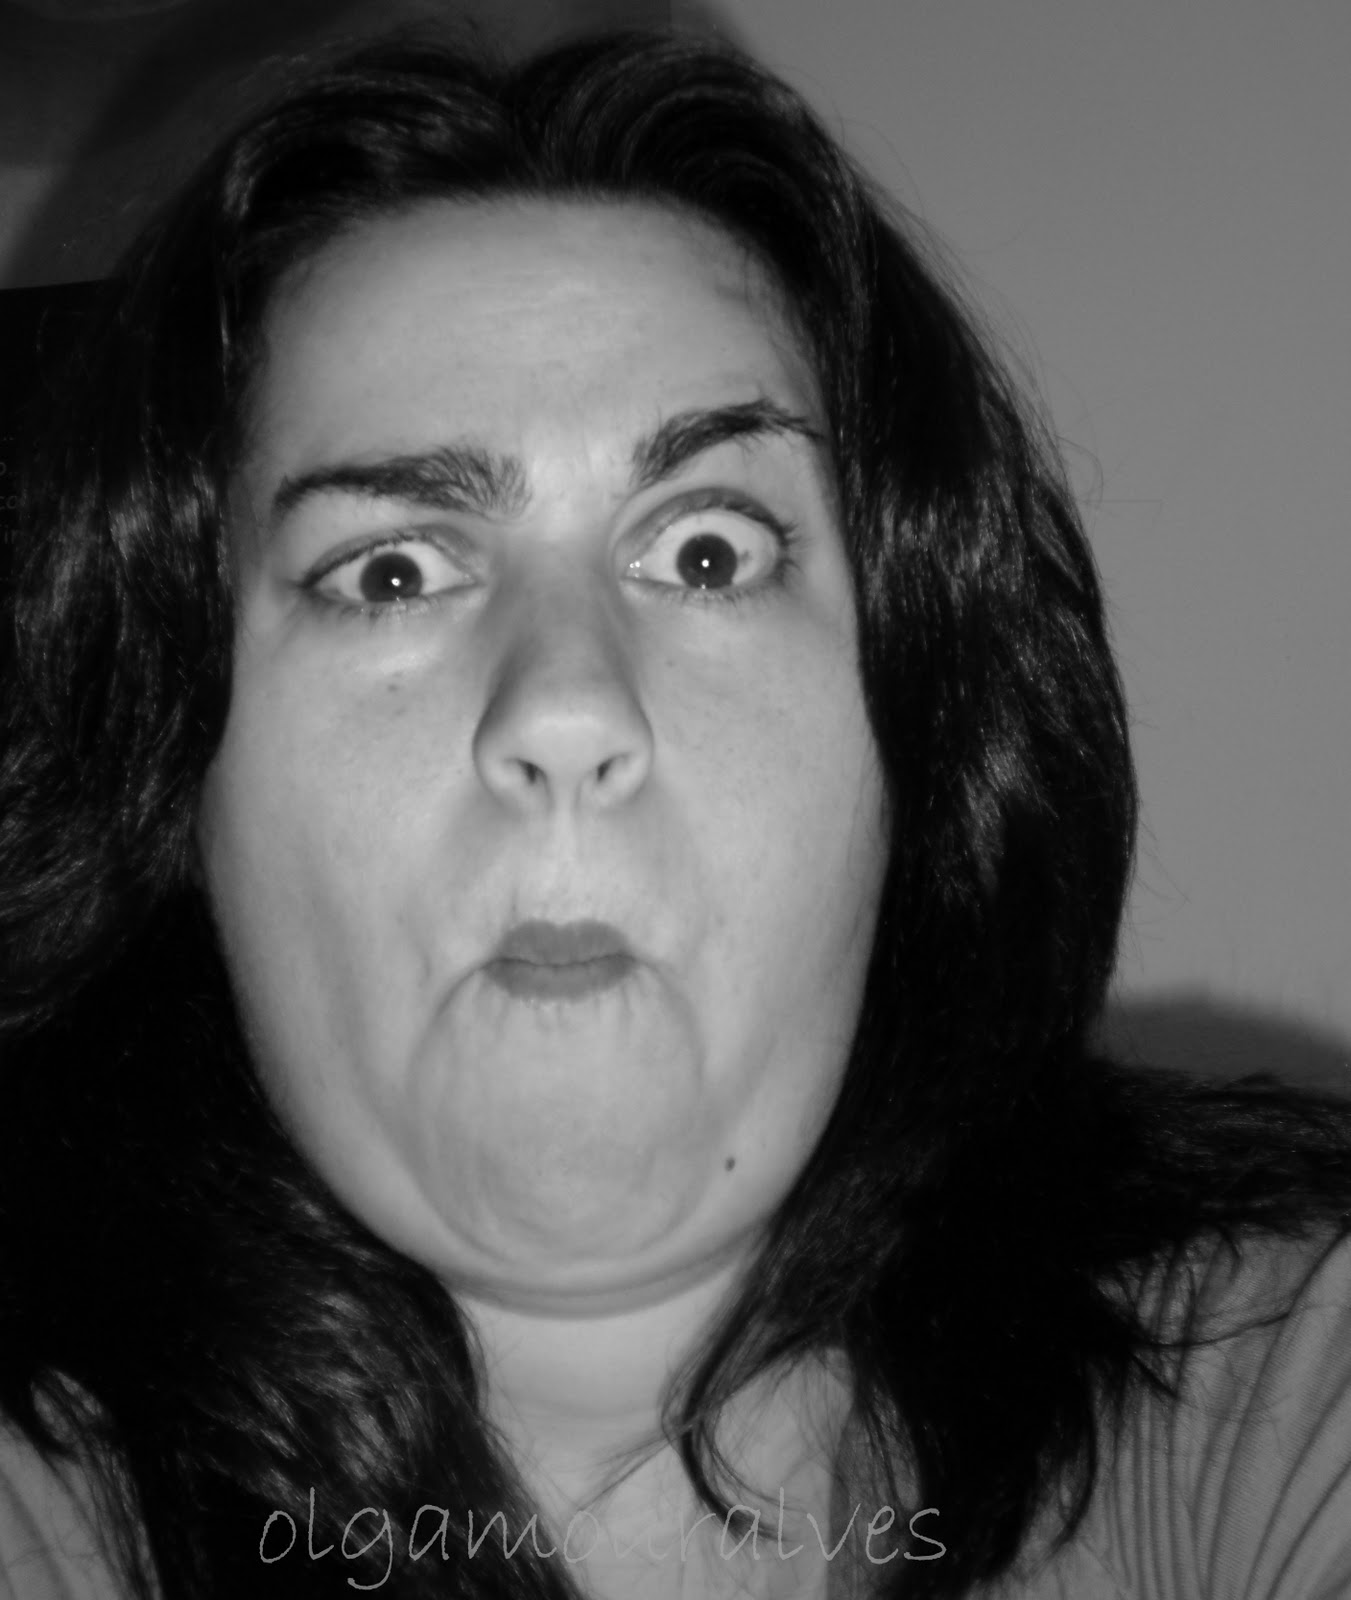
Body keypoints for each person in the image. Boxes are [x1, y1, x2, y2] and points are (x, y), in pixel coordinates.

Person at [2, 24, 1350, 1600]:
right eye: (391, 573)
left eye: (710, 553)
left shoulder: (1284, 1378)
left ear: (914, 743)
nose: (566, 708)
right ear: (181, 788)